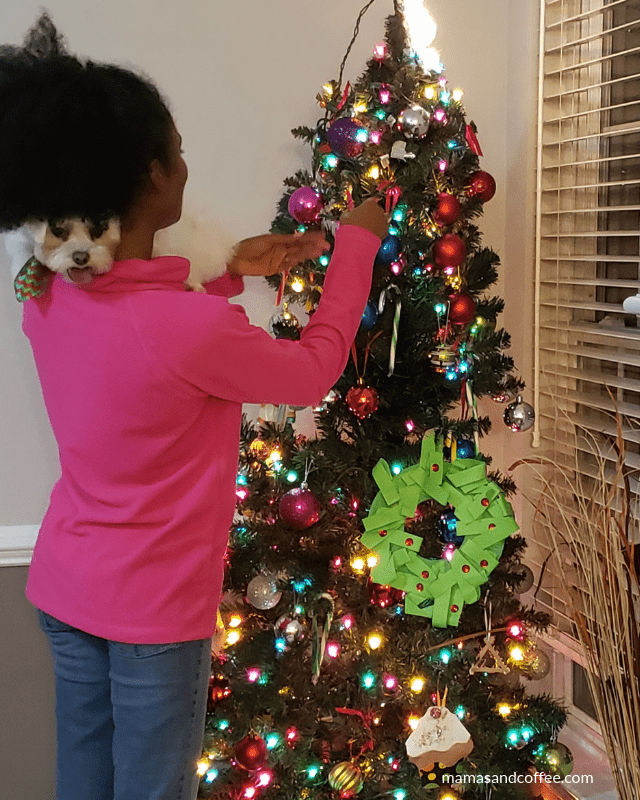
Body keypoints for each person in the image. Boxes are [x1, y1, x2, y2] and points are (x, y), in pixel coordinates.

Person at [0, 14, 388, 800]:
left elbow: (142, 337)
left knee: (85, 780)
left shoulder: (45, 299)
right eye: (176, 153)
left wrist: (229, 267)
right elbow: (311, 372)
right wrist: (355, 248)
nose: (185, 164)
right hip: (151, 615)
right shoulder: (188, 328)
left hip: (66, 588)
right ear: (148, 176)